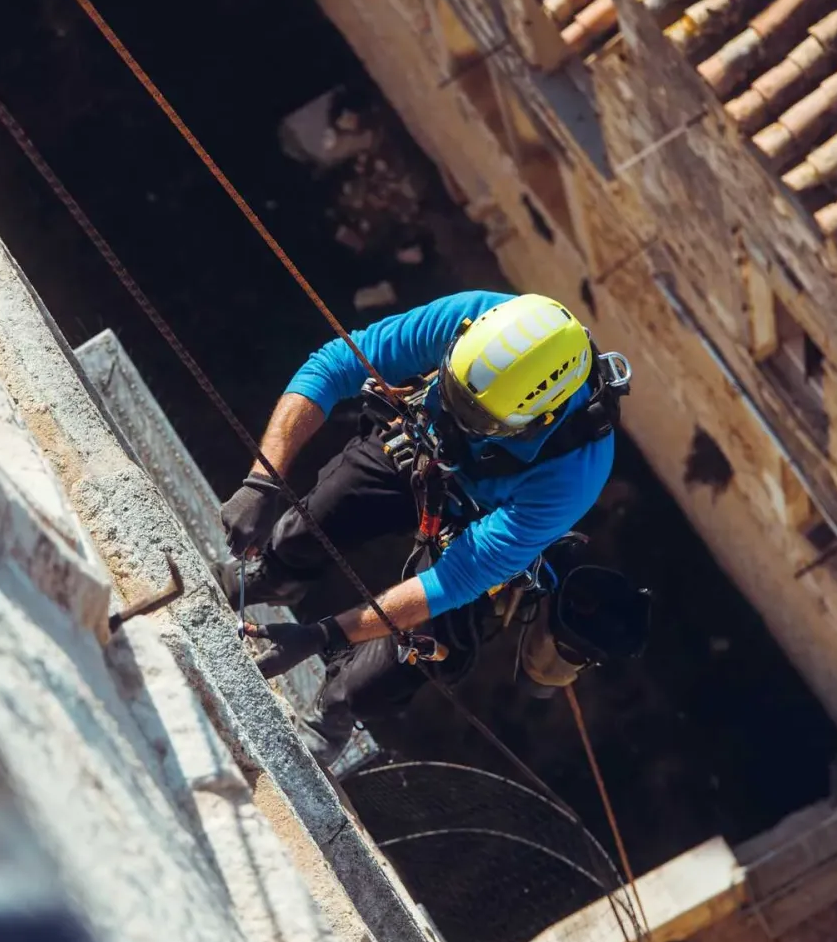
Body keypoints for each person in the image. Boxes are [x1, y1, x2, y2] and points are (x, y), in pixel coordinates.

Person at [216, 290, 630, 761]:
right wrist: (261, 481)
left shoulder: (575, 472)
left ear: (539, 421)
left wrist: (323, 635)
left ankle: (336, 710)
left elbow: (458, 578)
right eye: (457, 394)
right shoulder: (474, 319)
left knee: (386, 671)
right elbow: (335, 365)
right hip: (424, 447)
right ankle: (273, 575)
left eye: (479, 417)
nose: (461, 412)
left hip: (482, 517)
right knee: (316, 521)